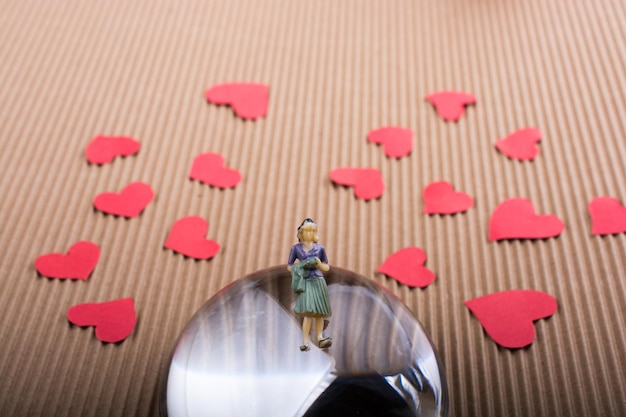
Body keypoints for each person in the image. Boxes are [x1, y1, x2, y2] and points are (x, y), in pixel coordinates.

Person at [287, 218, 332, 351]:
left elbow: (327, 267)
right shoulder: (296, 248)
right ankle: (305, 341)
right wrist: (302, 265)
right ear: (301, 233)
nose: (308, 234)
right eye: (306, 231)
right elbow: (289, 266)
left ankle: (320, 337)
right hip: (305, 282)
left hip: (318, 280)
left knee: (320, 313)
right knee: (308, 312)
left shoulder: (320, 248)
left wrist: (318, 264)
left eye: (311, 231)